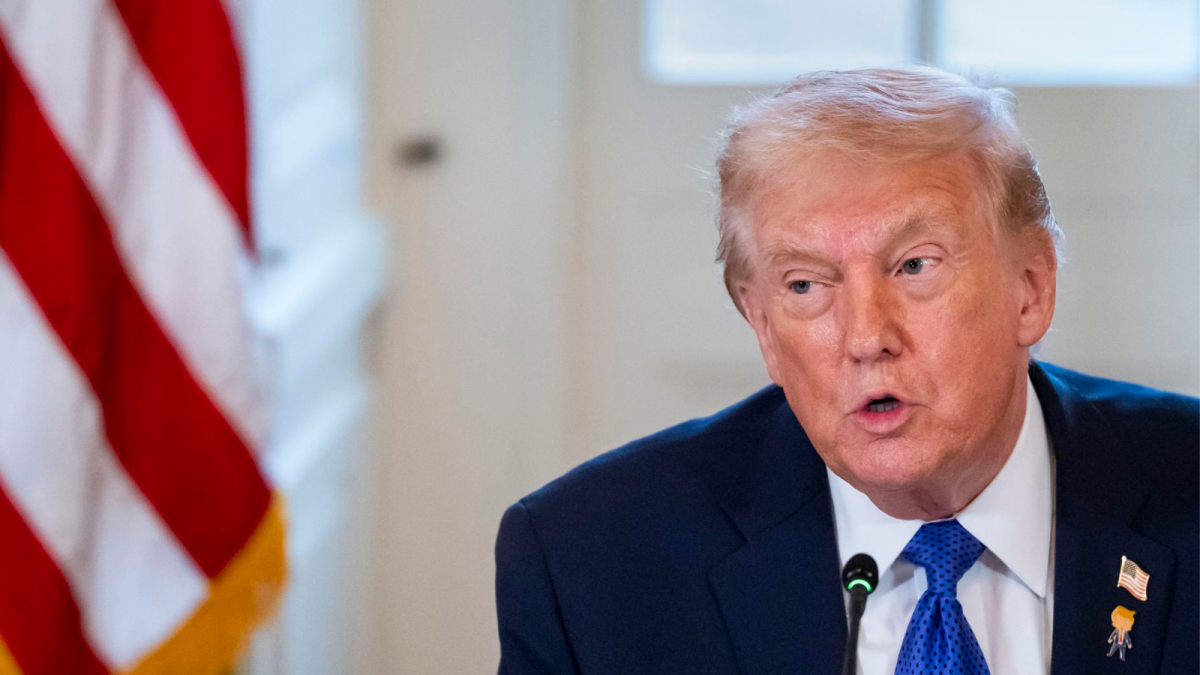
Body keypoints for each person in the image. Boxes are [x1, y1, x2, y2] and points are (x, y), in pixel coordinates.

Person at [493, 66, 1198, 674]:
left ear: (1031, 286)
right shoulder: (592, 561)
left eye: (914, 265)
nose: (866, 337)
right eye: (805, 285)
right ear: (762, 325)